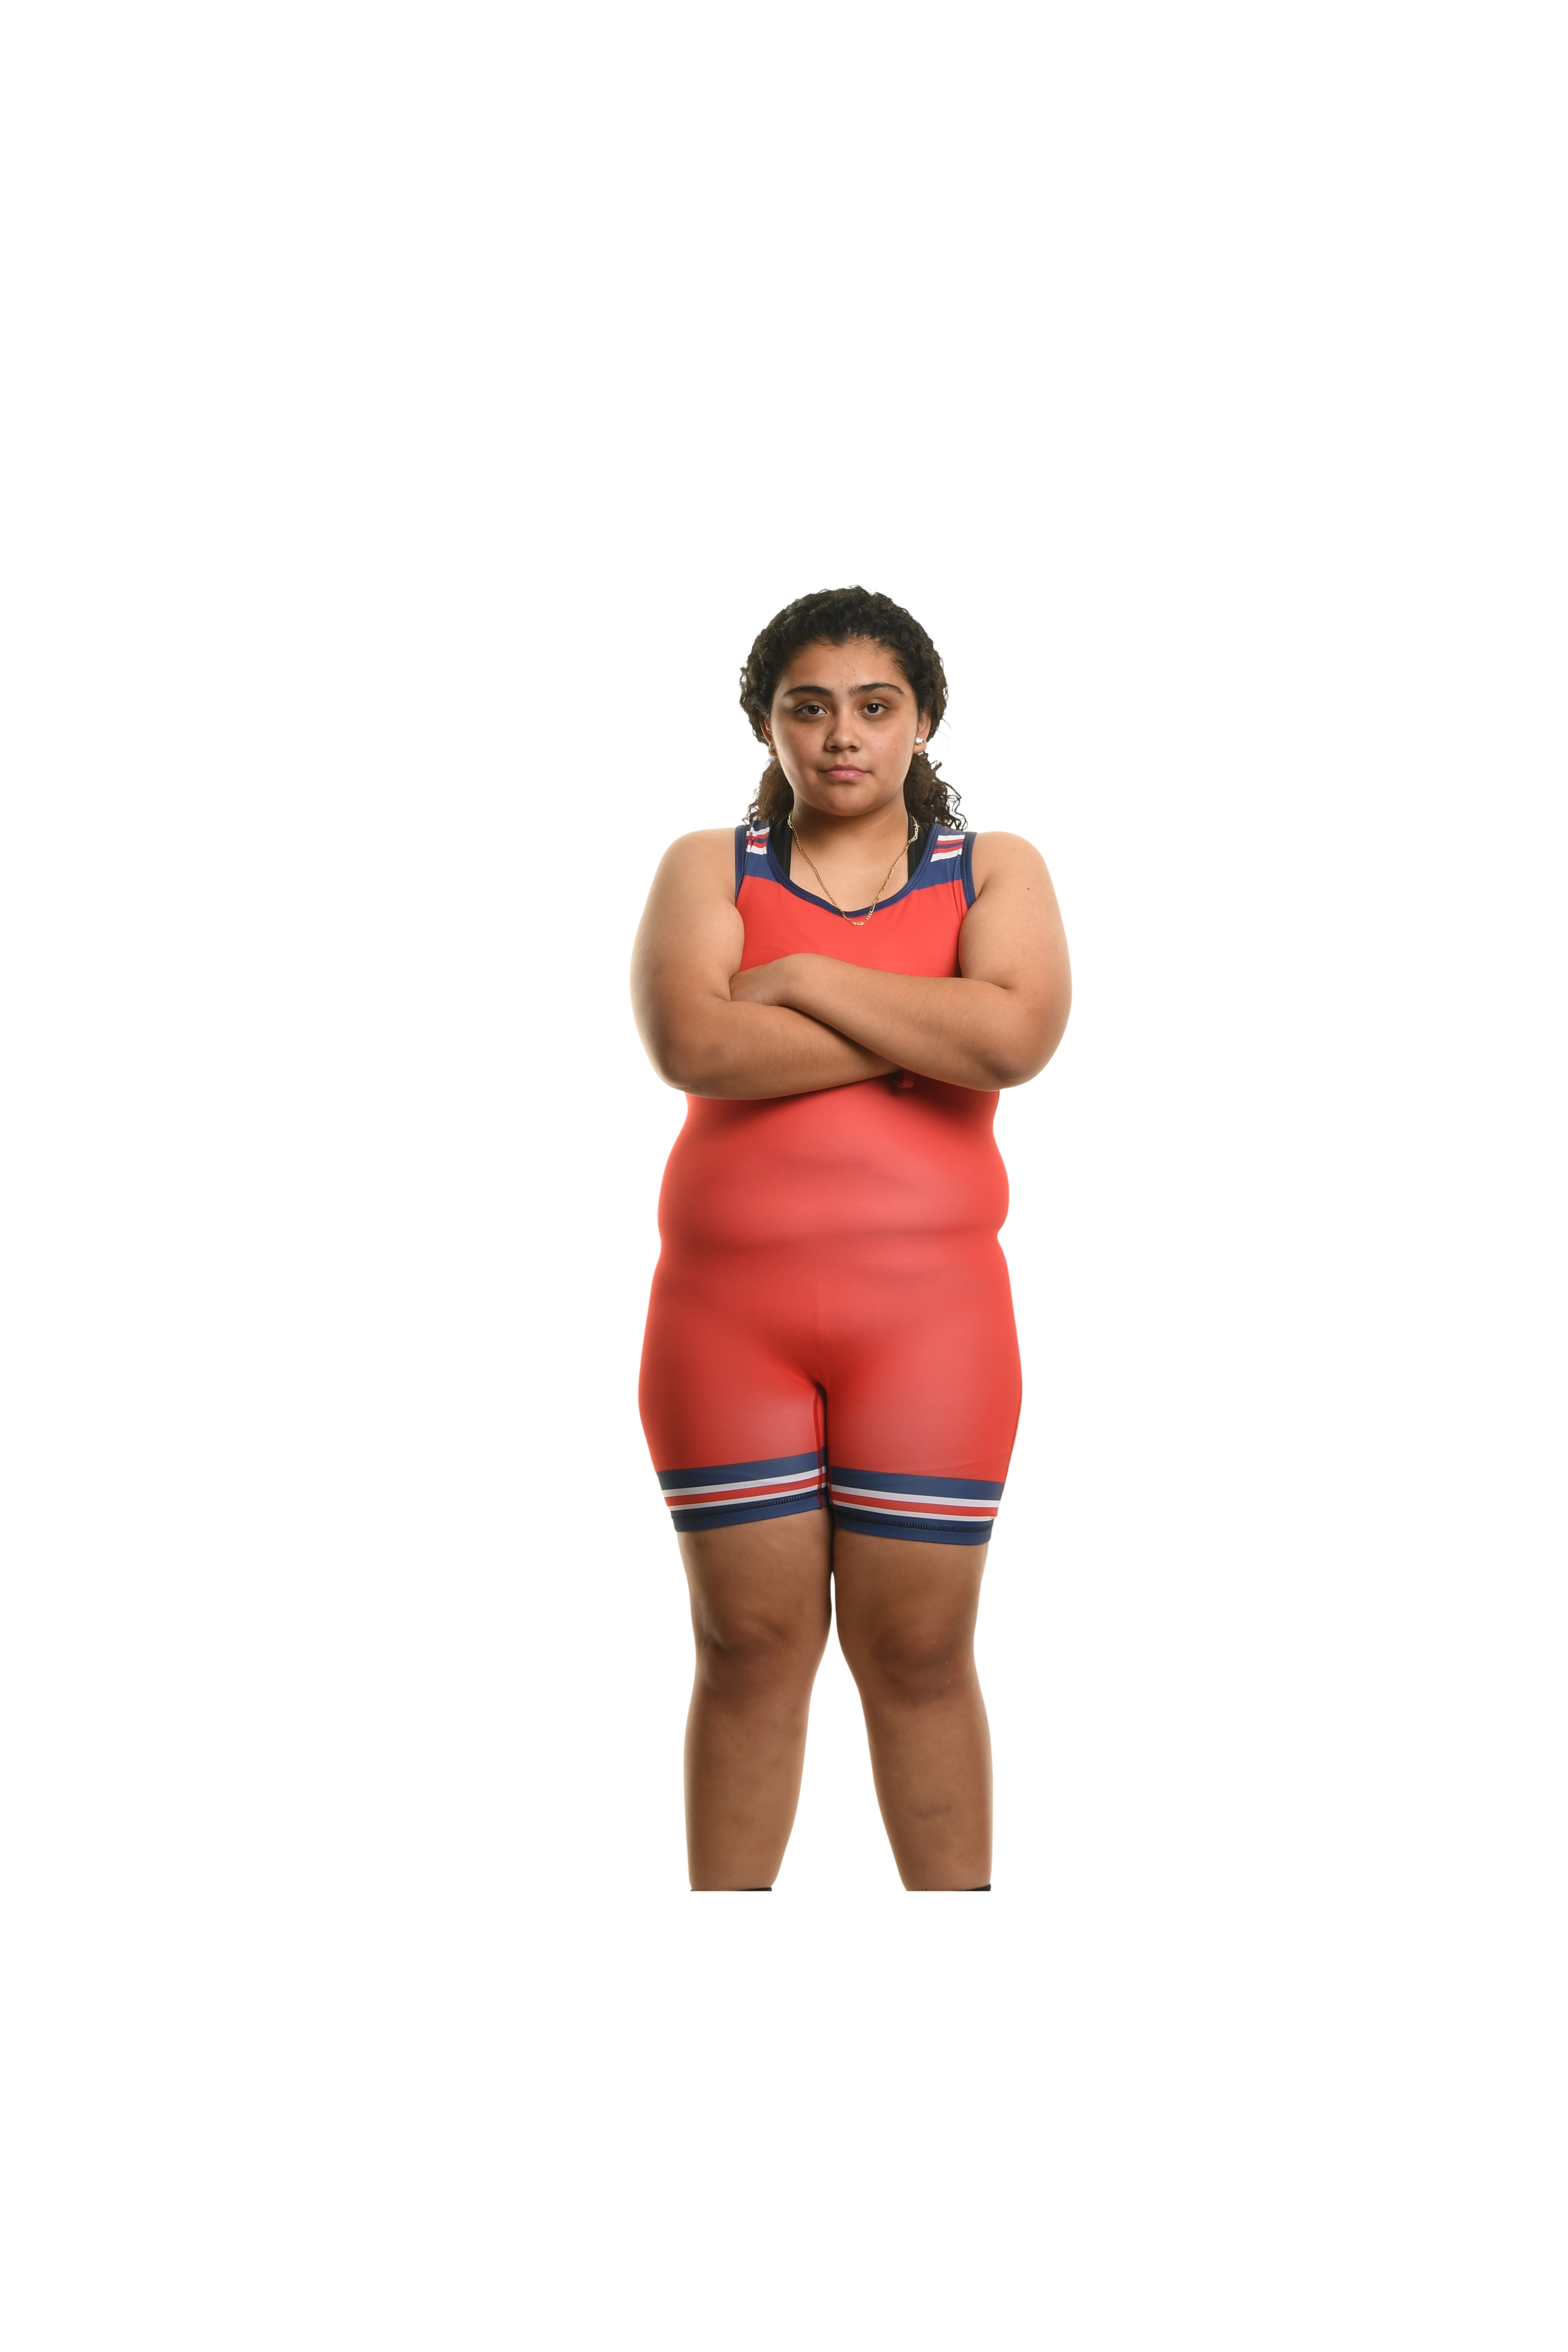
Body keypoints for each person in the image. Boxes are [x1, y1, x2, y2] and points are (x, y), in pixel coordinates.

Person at [629, 579, 1071, 2089]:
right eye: (807, 706)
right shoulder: (707, 866)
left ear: (924, 720)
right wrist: (917, 1020)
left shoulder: (994, 866)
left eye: (874, 706)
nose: (841, 736)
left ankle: (960, 1995)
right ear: (767, 721)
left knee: (920, 1647)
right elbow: (695, 1042)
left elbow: (1015, 1036)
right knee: (747, 1646)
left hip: (932, 1326)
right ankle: (720, 1993)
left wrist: (808, 980)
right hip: (725, 1322)